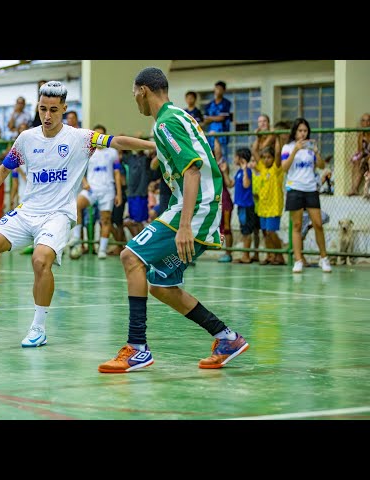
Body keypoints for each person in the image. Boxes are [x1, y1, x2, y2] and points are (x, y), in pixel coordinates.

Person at [0, 80, 156, 348]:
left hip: (58, 214)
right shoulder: (26, 139)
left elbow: (116, 141)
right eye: (43, 109)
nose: (47, 115)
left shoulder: (81, 138)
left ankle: (38, 328)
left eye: (54, 109)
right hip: (27, 210)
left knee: (41, 261)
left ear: (64, 108)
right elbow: (4, 169)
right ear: (37, 109)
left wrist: (153, 146)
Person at [98, 67, 249, 374]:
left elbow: (192, 170)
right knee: (161, 285)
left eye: (133, 95)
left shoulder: (166, 123)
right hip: (197, 207)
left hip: (196, 209)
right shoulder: (176, 118)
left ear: (143, 91)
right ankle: (226, 337)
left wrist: (184, 226)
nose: (134, 101)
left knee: (130, 256)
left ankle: (137, 348)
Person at [281, 117, 331, 273]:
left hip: (310, 189)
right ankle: (298, 260)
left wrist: (316, 152)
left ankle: (324, 258)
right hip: (294, 188)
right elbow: (284, 167)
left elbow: (322, 165)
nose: (303, 134)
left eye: (305, 131)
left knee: (318, 223)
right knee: (296, 226)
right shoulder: (287, 148)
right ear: (295, 132)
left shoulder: (311, 148)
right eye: (300, 131)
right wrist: (295, 150)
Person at [68, 124, 123, 260]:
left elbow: (117, 174)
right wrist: (85, 182)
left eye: (101, 135)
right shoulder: (87, 152)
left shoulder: (112, 152)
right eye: (96, 135)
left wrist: (119, 193)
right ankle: (76, 238)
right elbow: (79, 169)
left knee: (105, 219)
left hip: (107, 190)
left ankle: (102, 250)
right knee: (76, 206)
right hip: (91, 189)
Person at [202, 81, 232, 164]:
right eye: (216, 88)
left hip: (222, 134)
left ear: (224, 90)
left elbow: (222, 118)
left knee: (222, 158)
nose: (218, 90)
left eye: (220, 89)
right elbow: (205, 120)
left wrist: (210, 118)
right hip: (210, 134)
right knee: (211, 156)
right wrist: (215, 118)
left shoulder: (226, 103)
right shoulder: (209, 105)